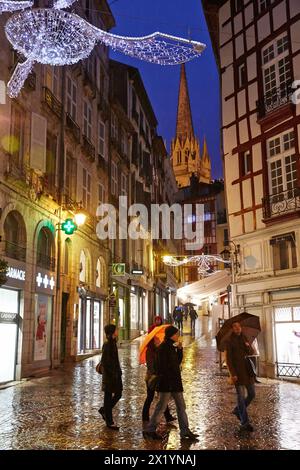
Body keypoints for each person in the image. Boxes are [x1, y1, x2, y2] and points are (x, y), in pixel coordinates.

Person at [143, 326, 199, 441]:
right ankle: (150, 430)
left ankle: (185, 431)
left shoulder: (171, 347)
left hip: (175, 383)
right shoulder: (163, 348)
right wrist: (171, 373)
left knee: (181, 407)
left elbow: (177, 362)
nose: (178, 335)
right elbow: (161, 367)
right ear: (171, 335)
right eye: (176, 334)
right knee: (161, 407)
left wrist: (180, 350)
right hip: (167, 384)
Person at [226, 321, 256, 432]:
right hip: (237, 373)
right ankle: (245, 422)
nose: (237, 328)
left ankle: (237, 410)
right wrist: (233, 374)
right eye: (235, 326)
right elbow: (228, 360)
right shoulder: (230, 341)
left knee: (252, 394)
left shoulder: (245, 338)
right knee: (240, 397)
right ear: (232, 329)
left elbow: (251, 352)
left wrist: (248, 346)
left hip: (247, 371)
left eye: (239, 326)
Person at [142, 336, 176, 423]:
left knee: (162, 397)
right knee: (150, 397)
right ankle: (145, 416)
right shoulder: (149, 351)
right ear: (152, 341)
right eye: (156, 339)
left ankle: (167, 416)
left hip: (157, 377)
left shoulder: (157, 350)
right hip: (151, 378)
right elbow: (150, 365)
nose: (158, 340)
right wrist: (156, 372)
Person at [98, 324, 122, 430]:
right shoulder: (107, 345)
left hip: (116, 374)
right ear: (112, 332)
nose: (118, 330)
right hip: (110, 376)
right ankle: (109, 421)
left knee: (118, 394)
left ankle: (105, 410)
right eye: (116, 329)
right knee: (108, 397)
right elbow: (106, 362)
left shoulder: (113, 343)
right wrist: (114, 374)